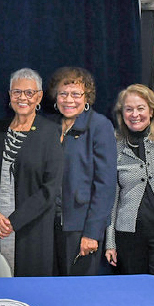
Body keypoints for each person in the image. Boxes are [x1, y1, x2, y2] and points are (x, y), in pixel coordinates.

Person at [0, 68, 62, 276]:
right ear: (9, 96)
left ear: (39, 97)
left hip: (32, 230)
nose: (22, 98)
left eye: (29, 93)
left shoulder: (50, 132)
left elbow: (50, 188)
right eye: (16, 92)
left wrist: (12, 222)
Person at [104, 84, 154, 288]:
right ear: (122, 113)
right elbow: (112, 197)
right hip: (128, 236)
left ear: (151, 110)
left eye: (140, 108)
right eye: (129, 109)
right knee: (135, 295)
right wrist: (110, 241)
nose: (135, 114)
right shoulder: (114, 142)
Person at [48, 67, 116, 276]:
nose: (69, 100)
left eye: (76, 94)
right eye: (63, 93)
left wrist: (92, 233)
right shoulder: (48, 126)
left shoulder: (99, 125)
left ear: (87, 98)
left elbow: (105, 185)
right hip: (48, 226)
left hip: (81, 228)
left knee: (77, 294)